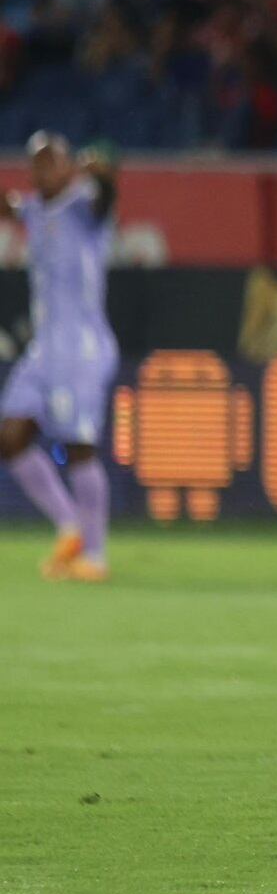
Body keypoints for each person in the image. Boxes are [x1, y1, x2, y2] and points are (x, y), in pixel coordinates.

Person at [0, 131, 118, 582]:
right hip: (44, 348)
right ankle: (70, 527)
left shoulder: (84, 203)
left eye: (50, 162)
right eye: (35, 164)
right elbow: (7, 206)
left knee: (79, 448)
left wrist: (104, 177)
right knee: (10, 436)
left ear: (69, 167)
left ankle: (97, 555)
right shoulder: (34, 208)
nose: (41, 172)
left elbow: (105, 198)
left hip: (81, 347)